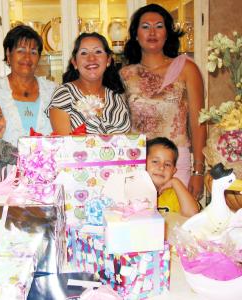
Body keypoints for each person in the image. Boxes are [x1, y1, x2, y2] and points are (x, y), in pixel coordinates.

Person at [120, 3, 206, 201]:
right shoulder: (124, 74)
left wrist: (198, 171)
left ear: (168, 33)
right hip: (138, 164)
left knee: (180, 224)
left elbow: (198, 122)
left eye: (159, 26)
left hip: (176, 164)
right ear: (135, 34)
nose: (152, 32)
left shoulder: (186, 68)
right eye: (145, 26)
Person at [0, 25, 57, 163]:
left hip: (47, 171)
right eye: (21, 50)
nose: (27, 57)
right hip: (2, 174)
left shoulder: (53, 91)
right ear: (8, 54)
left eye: (33, 52)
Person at [46, 32, 131, 134]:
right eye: (84, 53)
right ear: (75, 62)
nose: (91, 58)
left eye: (98, 52)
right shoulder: (63, 94)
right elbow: (65, 145)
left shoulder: (117, 98)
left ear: (108, 60)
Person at [147, 137, 200, 217]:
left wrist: (175, 182)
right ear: (143, 164)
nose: (161, 167)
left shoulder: (176, 194)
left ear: (173, 171)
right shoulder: (134, 191)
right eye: (155, 161)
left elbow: (192, 214)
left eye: (167, 164)